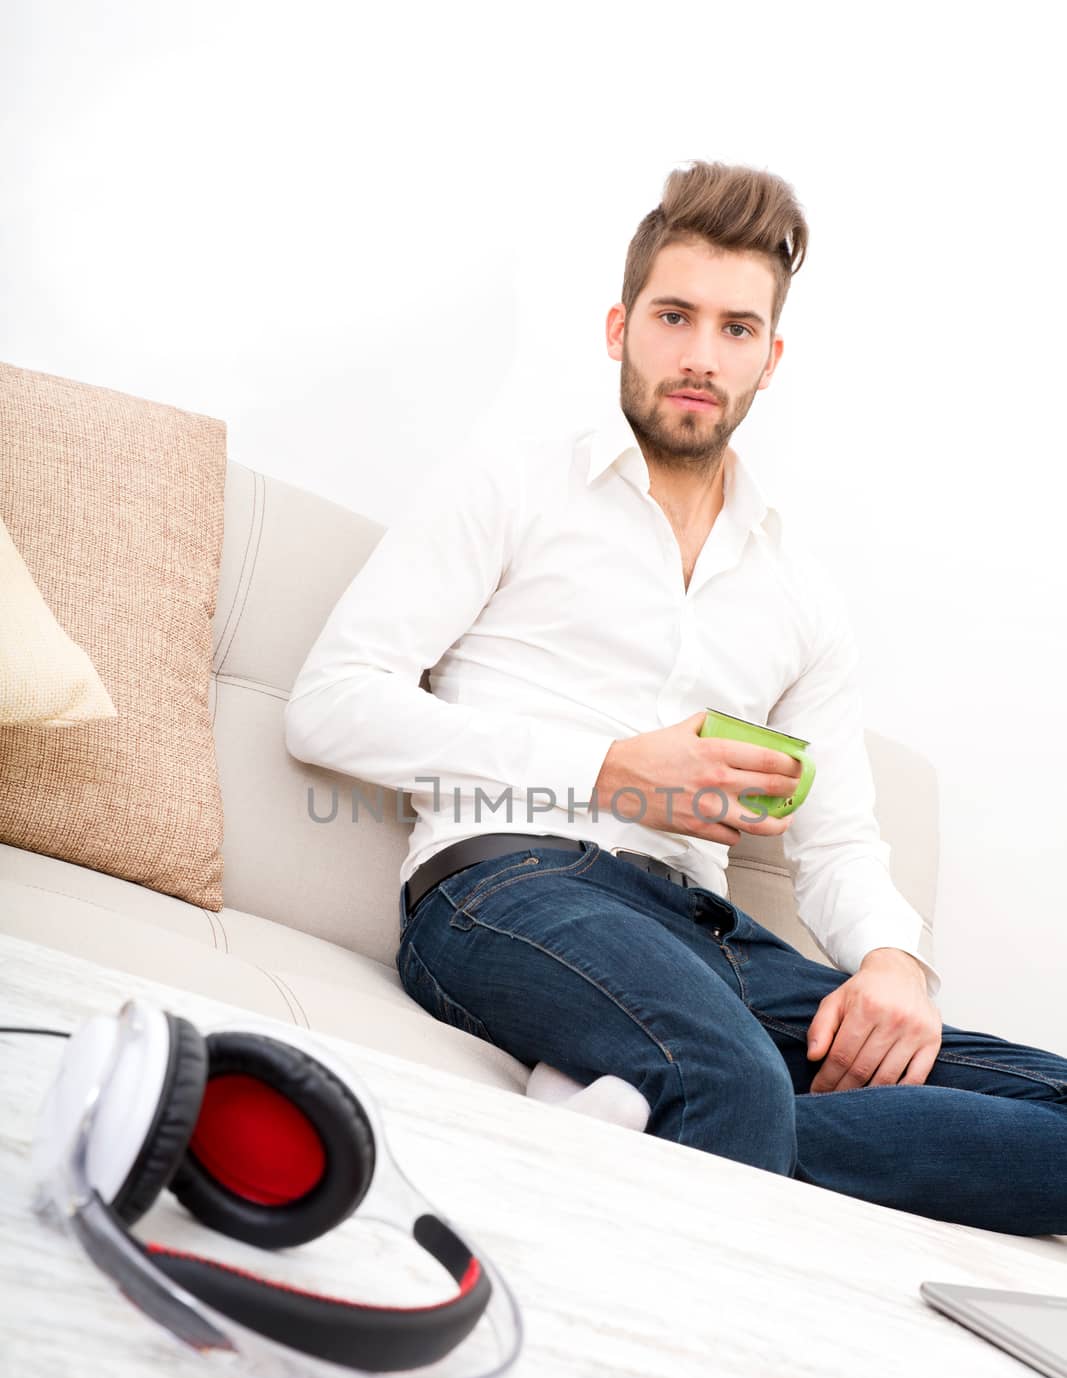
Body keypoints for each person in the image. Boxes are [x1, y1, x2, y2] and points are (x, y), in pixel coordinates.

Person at [285, 159, 1067, 1237]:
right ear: (618, 327)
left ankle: (649, 1119)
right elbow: (329, 703)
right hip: (508, 885)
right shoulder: (511, 484)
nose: (700, 356)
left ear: (769, 358)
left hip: (708, 935)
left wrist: (892, 960)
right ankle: (698, 1112)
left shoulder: (798, 592)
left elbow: (835, 843)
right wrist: (605, 769)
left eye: (735, 329)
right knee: (732, 1078)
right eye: (673, 316)